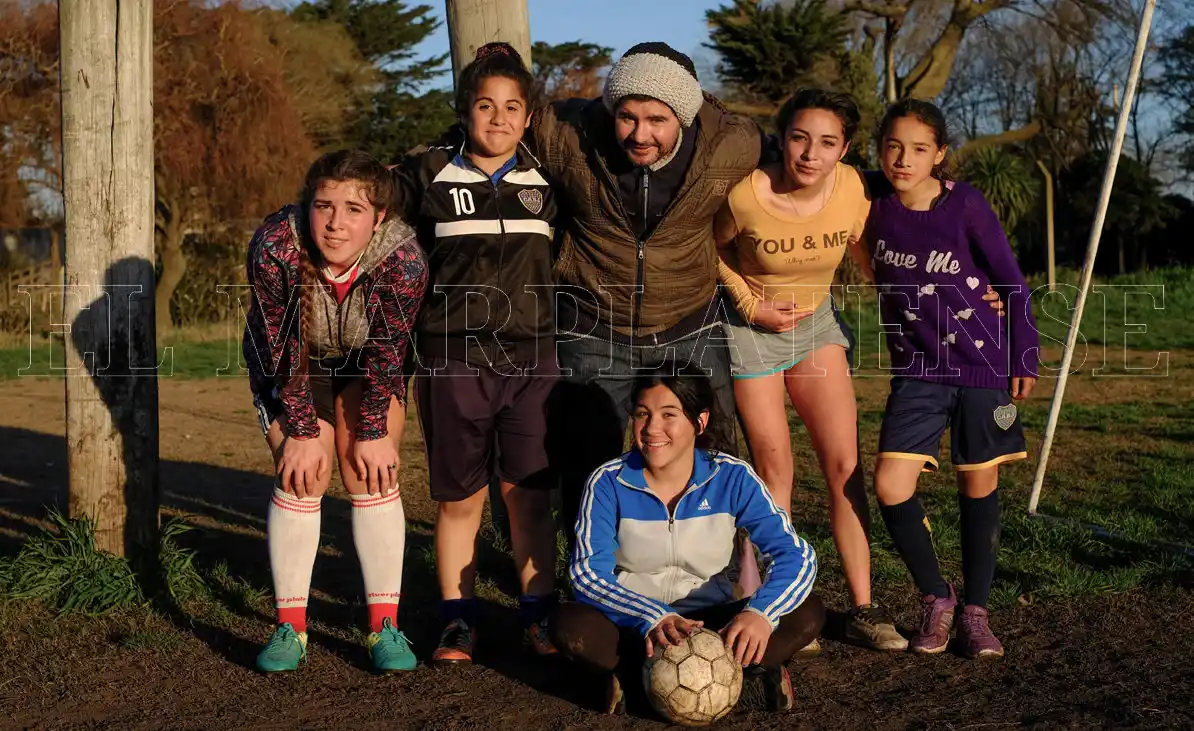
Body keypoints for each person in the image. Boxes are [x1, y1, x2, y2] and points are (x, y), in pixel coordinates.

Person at [530, 42, 762, 554]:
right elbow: (487, 128)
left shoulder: (732, 145)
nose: (640, 134)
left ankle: (727, 566)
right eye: (627, 117)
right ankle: (593, 568)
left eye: (657, 119)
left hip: (689, 318)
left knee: (713, 447)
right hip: (592, 317)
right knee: (586, 455)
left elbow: (807, 168)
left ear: (683, 113)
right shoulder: (561, 134)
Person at [715, 88, 907, 652]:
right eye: (799, 138)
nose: (810, 154)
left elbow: (870, 253)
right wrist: (752, 305)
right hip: (752, 335)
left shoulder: (851, 189)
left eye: (827, 142)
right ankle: (778, 608)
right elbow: (714, 250)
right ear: (783, 138)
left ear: (845, 149)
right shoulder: (747, 195)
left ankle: (865, 609)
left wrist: (955, 298)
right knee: (774, 474)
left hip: (817, 329)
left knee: (844, 466)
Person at [391, 43, 560, 666]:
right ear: (464, 111)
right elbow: (374, 225)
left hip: (533, 360)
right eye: (485, 106)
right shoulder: (428, 174)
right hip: (452, 357)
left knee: (528, 494)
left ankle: (539, 614)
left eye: (512, 107)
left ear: (528, 115)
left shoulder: (548, 178)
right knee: (460, 499)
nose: (498, 118)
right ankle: (456, 620)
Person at [865, 99, 1039, 658]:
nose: (903, 158)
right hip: (917, 368)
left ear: (940, 155)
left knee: (977, 482)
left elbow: (1010, 281)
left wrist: (1023, 355)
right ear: (878, 149)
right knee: (892, 484)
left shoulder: (964, 204)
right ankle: (937, 597)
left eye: (919, 149)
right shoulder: (868, 202)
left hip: (981, 363)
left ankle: (977, 613)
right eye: (893, 146)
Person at [243, 150, 428, 673]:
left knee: (369, 469)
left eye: (353, 208)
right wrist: (299, 430)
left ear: (379, 217)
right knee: (304, 473)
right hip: (291, 362)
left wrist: (372, 432)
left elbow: (389, 352)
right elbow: (282, 351)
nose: (335, 222)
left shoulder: (404, 259)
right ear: (308, 206)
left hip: (368, 363)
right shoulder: (275, 247)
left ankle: (384, 626)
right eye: (324, 205)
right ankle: (290, 627)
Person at [550, 365, 824, 715]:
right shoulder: (608, 482)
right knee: (568, 623)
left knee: (807, 611)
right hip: (639, 625)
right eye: (642, 414)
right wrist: (652, 617)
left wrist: (760, 613)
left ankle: (647, 685)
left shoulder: (731, 476)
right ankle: (737, 679)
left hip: (717, 625)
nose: (651, 429)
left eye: (669, 415)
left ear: (700, 421)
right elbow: (588, 573)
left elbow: (796, 556)